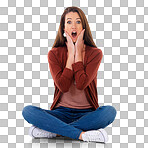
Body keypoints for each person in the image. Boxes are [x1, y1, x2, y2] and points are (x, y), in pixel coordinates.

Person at [22, 6, 117, 143]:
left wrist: (77, 53)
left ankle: (55, 131)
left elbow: (81, 84)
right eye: (69, 22)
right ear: (63, 27)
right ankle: (81, 135)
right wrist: (70, 57)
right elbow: (64, 86)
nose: (74, 26)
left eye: (78, 22)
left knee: (109, 111)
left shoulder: (95, 53)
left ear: (84, 26)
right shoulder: (54, 54)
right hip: (60, 113)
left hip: (87, 113)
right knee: (28, 111)